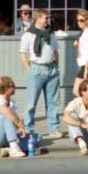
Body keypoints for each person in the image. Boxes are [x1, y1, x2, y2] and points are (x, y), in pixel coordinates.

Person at [17, 9, 62, 139]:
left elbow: (56, 52)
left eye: (48, 18)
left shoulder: (51, 34)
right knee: (31, 103)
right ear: (37, 19)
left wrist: (57, 68)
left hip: (52, 69)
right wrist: (28, 69)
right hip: (36, 69)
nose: (48, 20)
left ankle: (54, 129)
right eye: (45, 18)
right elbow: (22, 53)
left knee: (53, 102)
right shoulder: (28, 35)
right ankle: (29, 129)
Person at [73, 9, 88, 98]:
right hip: (85, 65)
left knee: (79, 91)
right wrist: (78, 45)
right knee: (84, 92)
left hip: (87, 66)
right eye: (78, 20)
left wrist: (86, 70)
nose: (79, 22)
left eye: (81, 20)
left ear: (87, 21)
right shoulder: (85, 33)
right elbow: (83, 51)